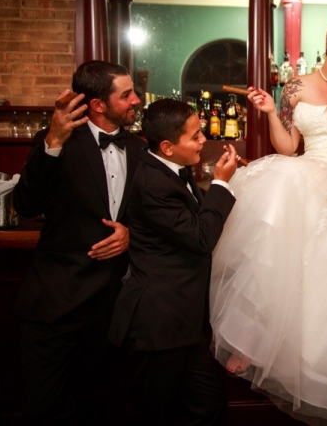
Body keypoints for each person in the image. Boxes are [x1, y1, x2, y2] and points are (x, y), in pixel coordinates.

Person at [208, 15, 327, 425]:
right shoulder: (295, 86)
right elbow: (290, 146)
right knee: (286, 262)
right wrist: (269, 112)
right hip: (306, 180)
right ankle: (266, 345)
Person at [12, 60, 144, 423]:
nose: (136, 99)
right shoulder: (57, 141)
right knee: (44, 409)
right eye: (127, 94)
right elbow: (26, 204)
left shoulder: (137, 148)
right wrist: (52, 141)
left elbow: (150, 215)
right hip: (57, 305)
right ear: (99, 105)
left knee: (99, 408)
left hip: (110, 311)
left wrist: (131, 234)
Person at [107, 99, 238, 425]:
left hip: (182, 322)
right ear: (167, 147)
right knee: (155, 412)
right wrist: (222, 183)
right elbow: (201, 238)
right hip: (158, 323)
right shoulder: (154, 184)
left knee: (209, 404)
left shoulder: (170, 170)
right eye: (194, 137)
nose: (203, 140)